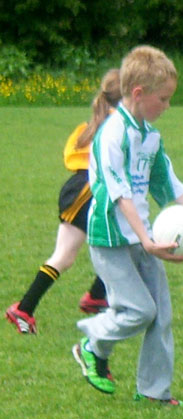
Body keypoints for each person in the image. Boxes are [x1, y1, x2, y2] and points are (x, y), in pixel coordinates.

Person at [71, 45, 183, 406]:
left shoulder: (149, 136)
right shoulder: (112, 134)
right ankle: (92, 341)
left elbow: (167, 182)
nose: (167, 106)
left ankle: (153, 393)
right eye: (163, 99)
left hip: (143, 237)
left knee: (161, 316)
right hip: (110, 239)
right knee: (139, 310)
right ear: (138, 93)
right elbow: (119, 193)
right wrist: (146, 240)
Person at [5, 69, 121, 334]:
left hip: (78, 188)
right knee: (124, 243)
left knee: (71, 254)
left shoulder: (90, 125)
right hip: (90, 190)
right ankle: (91, 298)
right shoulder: (118, 125)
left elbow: (71, 154)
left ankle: (90, 297)